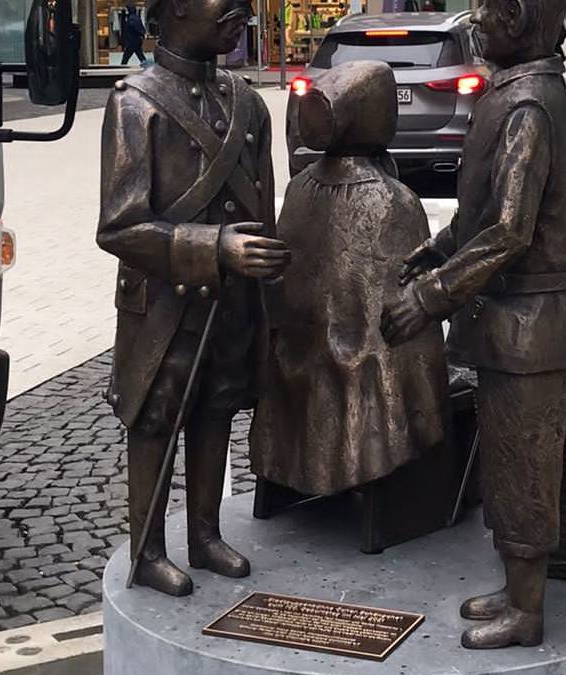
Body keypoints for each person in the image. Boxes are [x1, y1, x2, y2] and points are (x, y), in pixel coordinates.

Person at [381, 0, 566, 649]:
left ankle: (527, 609)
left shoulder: (529, 106)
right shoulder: (514, 93)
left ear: (519, 23)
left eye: (488, 10)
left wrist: (432, 295)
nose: (475, 19)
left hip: (532, 325)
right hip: (509, 325)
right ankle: (515, 586)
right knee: (506, 462)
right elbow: (481, 212)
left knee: (526, 467)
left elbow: (508, 230)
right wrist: (437, 249)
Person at [99, 0, 288, 597]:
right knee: (155, 419)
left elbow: (264, 210)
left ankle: (204, 536)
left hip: (231, 301)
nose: (241, 11)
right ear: (176, 9)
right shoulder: (134, 102)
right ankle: (148, 551)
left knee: (216, 409)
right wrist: (214, 247)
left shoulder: (249, 103)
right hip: (163, 302)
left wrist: (268, 262)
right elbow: (120, 227)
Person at [251, 60, 448, 498]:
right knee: (412, 331)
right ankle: (405, 458)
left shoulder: (299, 189)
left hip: (296, 372)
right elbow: (406, 314)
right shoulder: (395, 200)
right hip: (363, 381)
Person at [120, 2, 149, 66]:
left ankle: (121, 67)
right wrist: (143, 33)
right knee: (140, 55)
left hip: (132, 41)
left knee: (126, 57)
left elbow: (136, 28)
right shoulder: (135, 18)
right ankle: (147, 66)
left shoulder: (132, 19)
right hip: (136, 41)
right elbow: (140, 28)